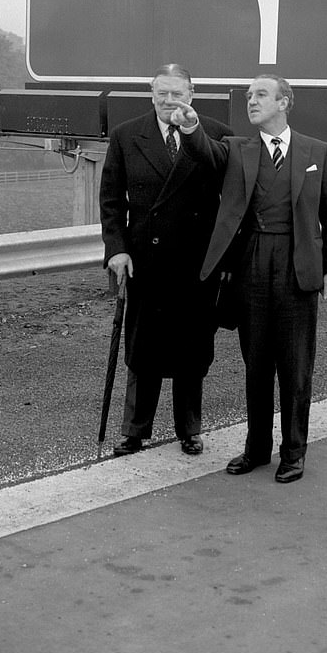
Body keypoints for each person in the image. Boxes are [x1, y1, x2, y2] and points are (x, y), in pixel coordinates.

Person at [175, 75, 327, 484]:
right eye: (249, 96)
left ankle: (294, 452)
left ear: (284, 102)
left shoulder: (316, 151)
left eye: (261, 95)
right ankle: (257, 449)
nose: (251, 101)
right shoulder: (237, 150)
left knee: (296, 365)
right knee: (257, 363)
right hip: (251, 264)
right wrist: (192, 127)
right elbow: (204, 152)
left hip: (298, 265)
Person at [99, 64, 229, 457]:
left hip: (196, 260)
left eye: (178, 94)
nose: (170, 101)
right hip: (145, 260)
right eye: (162, 94)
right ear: (150, 93)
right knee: (144, 348)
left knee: (192, 347)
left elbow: (230, 195)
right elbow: (110, 201)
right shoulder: (126, 135)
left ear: (192, 94)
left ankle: (189, 428)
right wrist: (116, 249)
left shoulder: (216, 133)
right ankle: (135, 430)